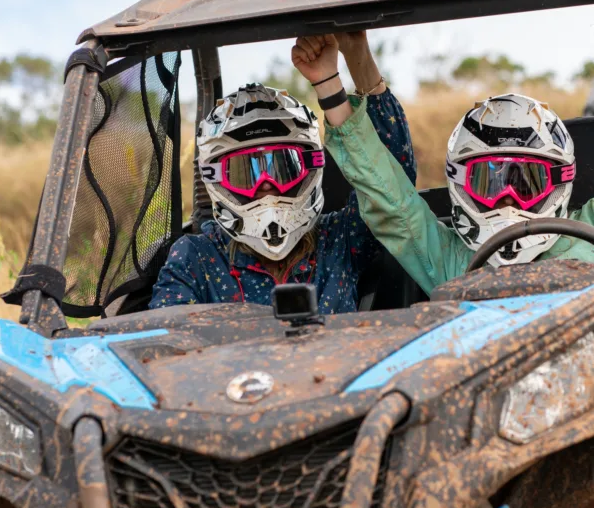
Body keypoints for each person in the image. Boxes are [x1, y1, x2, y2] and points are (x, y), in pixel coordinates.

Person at [317, 88, 594, 297]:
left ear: (560, 181)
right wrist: (329, 88)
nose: (507, 199)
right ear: (461, 183)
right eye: (489, 181)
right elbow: (391, 201)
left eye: (526, 183)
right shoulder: (450, 260)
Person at [149, 32, 415, 311]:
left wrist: (346, 61)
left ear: (310, 166)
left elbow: (394, 184)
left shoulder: (338, 239)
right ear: (216, 180)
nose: (266, 185)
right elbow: (164, 339)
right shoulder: (197, 258)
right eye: (245, 173)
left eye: (283, 167)